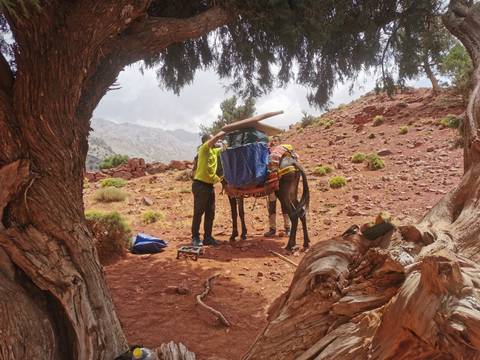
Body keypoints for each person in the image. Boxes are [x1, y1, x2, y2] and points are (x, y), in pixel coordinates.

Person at [191, 131, 225, 247]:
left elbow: (223, 148)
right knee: (198, 212)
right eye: (212, 140)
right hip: (200, 185)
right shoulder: (203, 149)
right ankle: (195, 237)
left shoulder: (213, 151)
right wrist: (220, 133)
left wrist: (225, 143)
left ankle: (208, 237)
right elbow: (214, 140)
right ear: (207, 141)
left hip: (209, 186)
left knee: (210, 213)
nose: (215, 142)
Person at [264, 135, 293, 237]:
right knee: (272, 204)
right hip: (272, 182)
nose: (273, 142)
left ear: (280, 142)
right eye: (273, 141)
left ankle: (287, 227)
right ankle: (273, 228)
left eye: (275, 141)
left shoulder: (279, 153)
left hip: (280, 182)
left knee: (284, 203)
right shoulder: (269, 152)